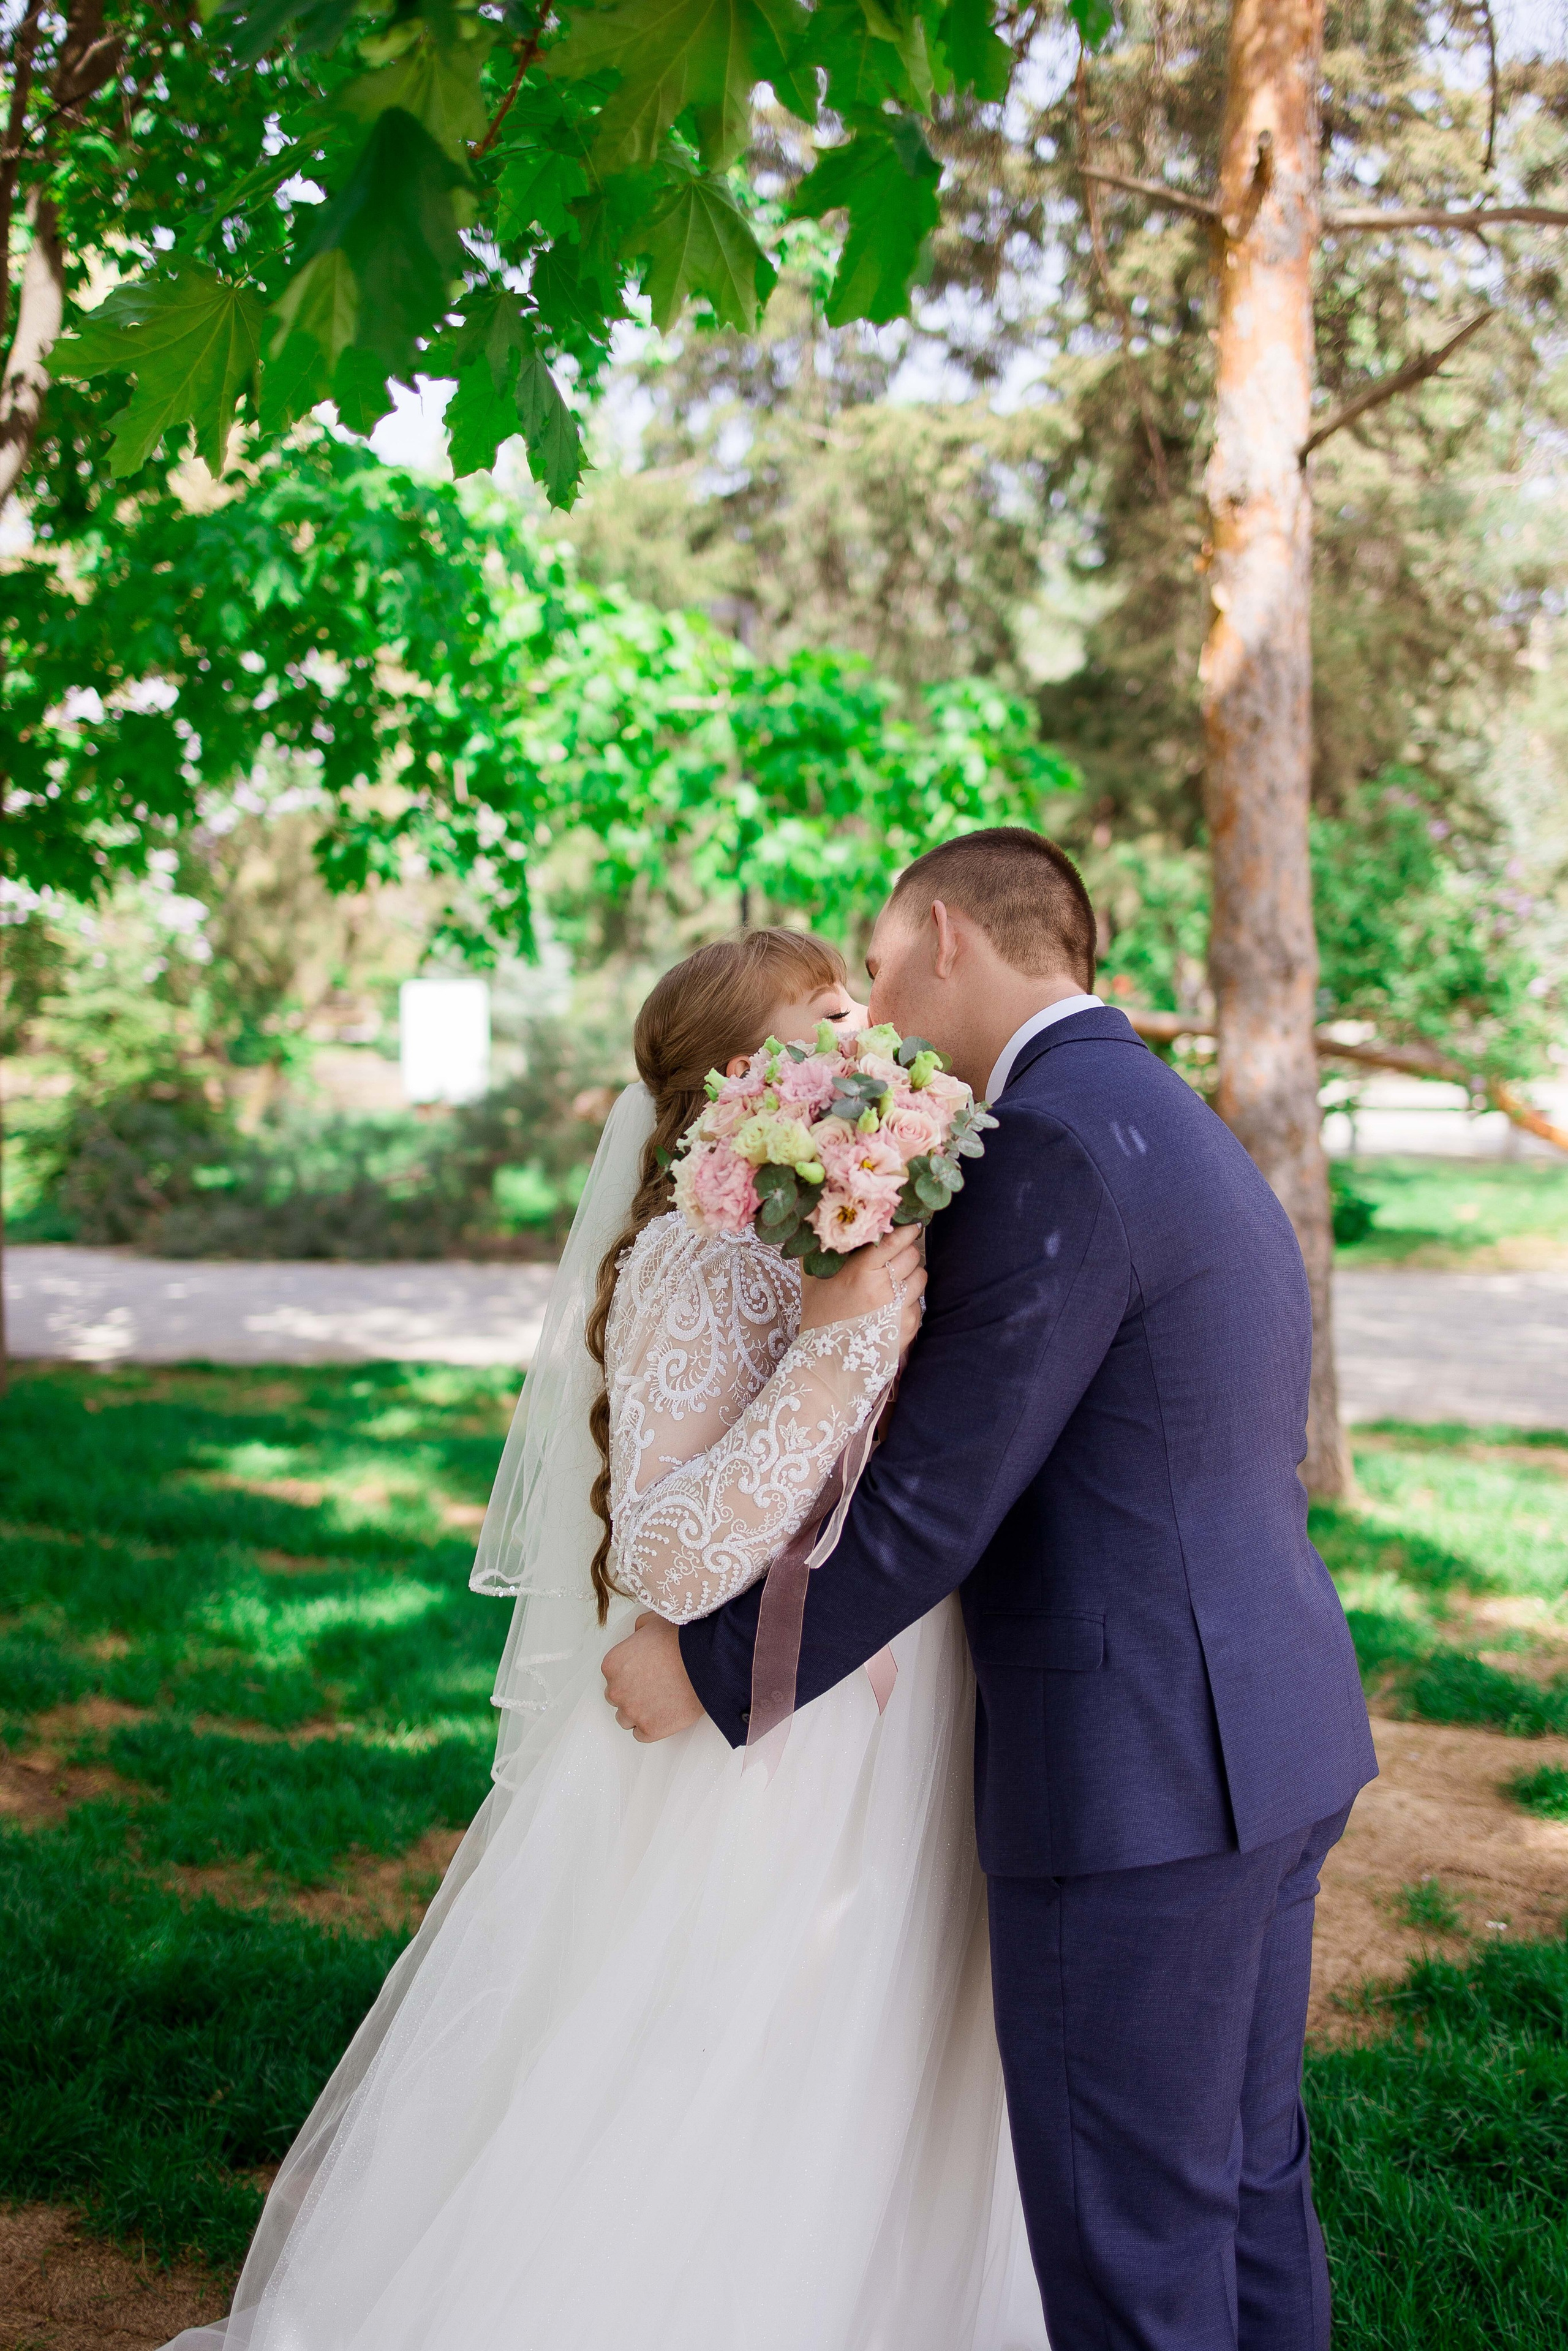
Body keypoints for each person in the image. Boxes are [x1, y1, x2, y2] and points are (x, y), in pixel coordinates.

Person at [164, 926, 1050, 2351]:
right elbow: (665, 1550)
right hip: (764, 1732)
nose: (866, 1034)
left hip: (903, 1680)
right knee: (725, 2067)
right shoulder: (693, 1261)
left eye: (855, 1006)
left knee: (895, 2048)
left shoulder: (870, 1212)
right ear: (736, 1089)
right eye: (823, 1018)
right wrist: (830, 1345)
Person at [605, 830, 1379, 2351]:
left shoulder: (1048, 1139)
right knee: (1234, 2184)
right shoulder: (1160, 1110)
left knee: (1129, 2239)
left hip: (1141, 1775)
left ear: (944, 935)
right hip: (1264, 1723)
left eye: (877, 965)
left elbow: (932, 1506)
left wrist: (700, 1672)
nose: (872, 1012)